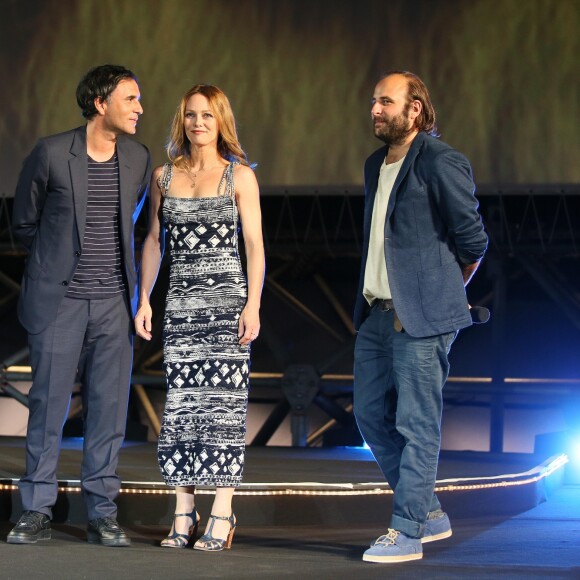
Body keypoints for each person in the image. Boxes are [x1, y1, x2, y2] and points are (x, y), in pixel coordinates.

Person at [8, 65, 151, 547]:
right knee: (47, 408)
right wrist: (55, 266)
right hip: (60, 303)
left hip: (114, 304)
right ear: (100, 103)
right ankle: (34, 511)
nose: (139, 109)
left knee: (109, 412)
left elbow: (130, 220)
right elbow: (24, 223)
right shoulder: (51, 152)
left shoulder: (137, 157)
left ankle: (102, 512)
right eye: (130, 99)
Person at [353, 71, 488, 564]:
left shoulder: (440, 161)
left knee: (416, 423)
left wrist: (435, 296)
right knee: (369, 417)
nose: (375, 109)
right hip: (375, 312)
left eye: (385, 101)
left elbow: (472, 243)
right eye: (373, 102)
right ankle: (428, 510)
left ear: (415, 110)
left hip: (422, 318)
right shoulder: (374, 165)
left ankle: (407, 530)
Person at [135, 84, 265, 551]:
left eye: (208, 115)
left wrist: (252, 304)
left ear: (221, 120)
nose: (198, 123)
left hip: (227, 306)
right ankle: (182, 512)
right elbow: (153, 240)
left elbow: (254, 246)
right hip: (181, 307)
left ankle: (222, 513)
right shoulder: (163, 178)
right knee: (183, 409)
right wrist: (144, 298)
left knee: (223, 410)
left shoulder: (239, 177)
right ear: (182, 120)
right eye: (191, 115)